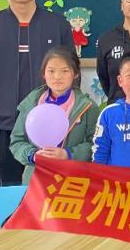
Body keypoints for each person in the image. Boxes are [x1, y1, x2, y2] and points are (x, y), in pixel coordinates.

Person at [0, 0, 73, 187]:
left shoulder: (57, 24)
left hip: (48, 124)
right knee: (8, 190)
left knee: (46, 190)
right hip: (1, 125)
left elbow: (71, 72)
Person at [9, 46, 98, 184]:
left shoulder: (88, 107)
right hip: (36, 181)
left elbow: (96, 145)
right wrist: (33, 155)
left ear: (75, 74)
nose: (57, 77)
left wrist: (68, 154)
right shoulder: (31, 103)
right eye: (51, 71)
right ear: (43, 74)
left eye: (64, 71)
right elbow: (16, 141)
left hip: (72, 182)